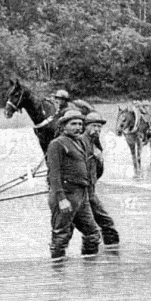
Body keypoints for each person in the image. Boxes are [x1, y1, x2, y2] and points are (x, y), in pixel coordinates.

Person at [46, 109, 101, 260]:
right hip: (66, 194)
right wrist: (61, 199)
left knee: (93, 233)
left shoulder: (79, 142)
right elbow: (54, 174)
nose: (78, 127)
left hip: (81, 195)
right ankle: (57, 271)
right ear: (64, 126)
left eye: (80, 124)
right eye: (73, 124)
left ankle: (90, 270)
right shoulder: (56, 144)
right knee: (61, 234)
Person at [83, 111, 120, 246]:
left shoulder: (94, 142)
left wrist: (99, 159)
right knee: (91, 228)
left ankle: (112, 256)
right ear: (86, 126)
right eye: (94, 126)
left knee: (105, 223)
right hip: (81, 192)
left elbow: (97, 171)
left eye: (99, 127)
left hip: (90, 190)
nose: (97, 129)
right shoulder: (82, 142)